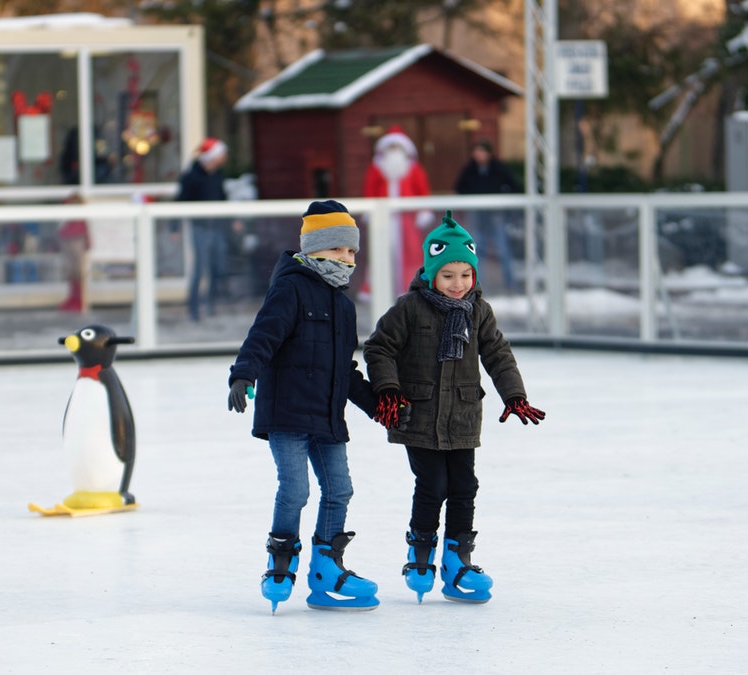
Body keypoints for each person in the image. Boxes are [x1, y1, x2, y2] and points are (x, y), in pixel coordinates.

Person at [363, 210, 545, 604]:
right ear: (431, 273)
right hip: (419, 414)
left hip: (462, 414)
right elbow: (379, 348)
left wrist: (514, 394)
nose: (458, 284)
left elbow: (498, 353)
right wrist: (389, 390)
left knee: (465, 486)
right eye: (448, 275)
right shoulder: (409, 307)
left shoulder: (479, 311)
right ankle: (421, 553)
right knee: (433, 485)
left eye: (465, 274)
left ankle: (457, 559)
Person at [227, 199, 383, 613]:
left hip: (328, 415)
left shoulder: (344, 306)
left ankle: (326, 568)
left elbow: (345, 370)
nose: (346, 259)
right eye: (337, 250)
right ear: (313, 248)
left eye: (351, 252)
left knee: (340, 490)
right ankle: (280, 561)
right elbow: (263, 335)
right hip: (288, 413)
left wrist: (377, 406)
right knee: (295, 490)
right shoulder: (290, 288)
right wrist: (244, 374)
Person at [362, 125, 434, 293]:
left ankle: (411, 285)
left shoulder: (414, 168)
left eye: (397, 147)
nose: (394, 150)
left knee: (411, 252)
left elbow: (422, 190)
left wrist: (423, 210)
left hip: (407, 217)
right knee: (381, 251)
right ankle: (378, 289)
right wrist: (369, 210)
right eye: (391, 147)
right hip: (382, 217)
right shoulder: (376, 168)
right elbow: (370, 189)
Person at [454, 139, 522, 291]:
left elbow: (514, 186)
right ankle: (477, 284)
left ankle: (510, 283)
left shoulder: (498, 169)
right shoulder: (469, 170)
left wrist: (505, 203)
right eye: (476, 151)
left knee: (503, 249)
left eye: (482, 151)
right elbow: (460, 189)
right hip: (477, 217)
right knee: (476, 251)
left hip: (496, 216)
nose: (479, 155)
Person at [177, 137, 229, 321]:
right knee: (199, 268)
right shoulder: (191, 176)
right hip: (200, 227)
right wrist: (174, 227)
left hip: (217, 226)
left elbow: (223, 198)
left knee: (217, 266)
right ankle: (193, 308)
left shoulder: (218, 175)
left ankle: (211, 305)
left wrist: (231, 221)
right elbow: (180, 201)